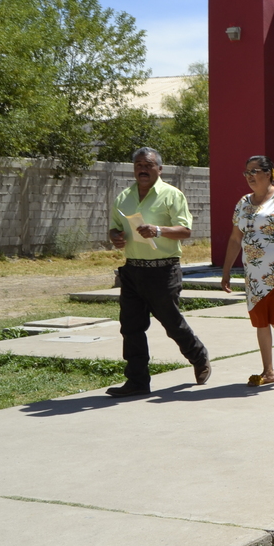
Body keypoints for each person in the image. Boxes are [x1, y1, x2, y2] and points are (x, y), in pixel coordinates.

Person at [106, 147, 211, 397]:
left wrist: (158, 230)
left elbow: (185, 231)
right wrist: (115, 237)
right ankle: (137, 381)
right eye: (138, 165)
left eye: (148, 165)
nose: (143, 169)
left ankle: (198, 356)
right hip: (133, 271)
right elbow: (114, 228)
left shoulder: (171, 195)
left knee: (172, 324)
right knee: (131, 327)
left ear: (159, 169)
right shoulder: (124, 197)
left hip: (163, 271)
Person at [221, 155, 274, 386]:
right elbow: (235, 238)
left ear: (268, 173)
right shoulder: (243, 202)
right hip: (253, 275)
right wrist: (227, 271)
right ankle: (268, 371)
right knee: (261, 321)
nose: (249, 176)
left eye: (254, 171)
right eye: (246, 172)